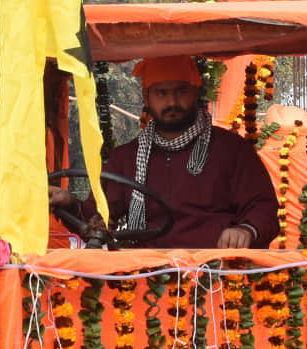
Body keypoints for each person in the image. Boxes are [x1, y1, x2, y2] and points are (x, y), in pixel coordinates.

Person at [52, 57, 281, 249]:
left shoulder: (232, 149)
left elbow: (264, 209)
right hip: (141, 276)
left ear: (195, 92)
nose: (172, 102)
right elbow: (97, 219)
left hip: (215, 276)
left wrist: (246, 230)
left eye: (181, 91)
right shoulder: (126, 157)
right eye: (161, 93)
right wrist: (69, 203)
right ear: (146, 98)